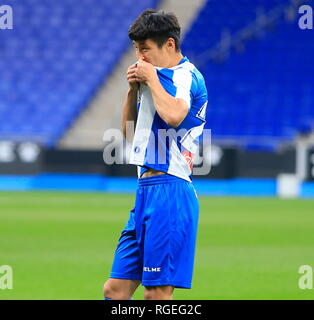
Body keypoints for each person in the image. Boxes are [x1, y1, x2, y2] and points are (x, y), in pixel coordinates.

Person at [103, 9, 208, 300]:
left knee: (157, 293)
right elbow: (130, 135)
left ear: (170, 45)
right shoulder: (154, 78)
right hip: (145, 192)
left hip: (171, 191)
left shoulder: (186, 76)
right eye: (137, 50)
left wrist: (150, 79)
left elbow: (174, 115)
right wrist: (131, 91)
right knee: (115, 289)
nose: (140, 57)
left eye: (145, 49)